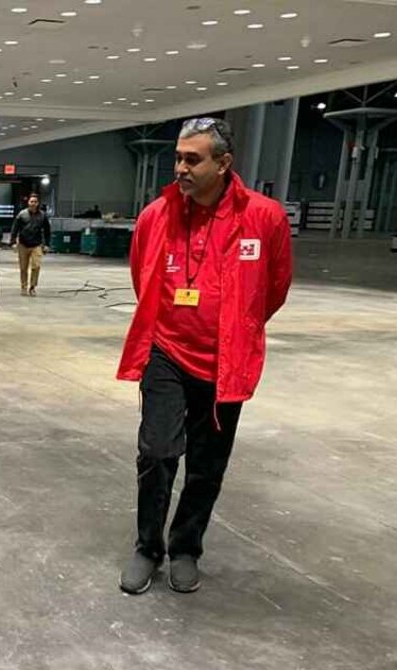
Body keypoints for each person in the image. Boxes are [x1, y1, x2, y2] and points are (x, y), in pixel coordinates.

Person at [117, 117, 292, 595]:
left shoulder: (264, 217)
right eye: (178, 157)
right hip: (166, 353)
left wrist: (239, 327)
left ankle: (186, 546)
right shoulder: (157, 216)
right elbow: (141, 274)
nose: (180, 168)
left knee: (207, 465)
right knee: (156, 452)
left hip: (225, 363)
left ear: (224, 163)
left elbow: (275, 288)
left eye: (192, 159)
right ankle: (148, 545)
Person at [9, 192, 51, 296]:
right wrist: (13, 242)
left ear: (38, 203)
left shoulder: (43, 216)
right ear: (28, 202)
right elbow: (15, 229)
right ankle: (24, 287)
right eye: (31, 201)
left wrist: (47, 244)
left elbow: (47, 231)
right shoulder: (22, 214)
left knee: (36, 266)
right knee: (23, 268)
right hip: (23, 244)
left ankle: (32, 287)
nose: (33, 203)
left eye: (35, 202)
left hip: (36, 245)